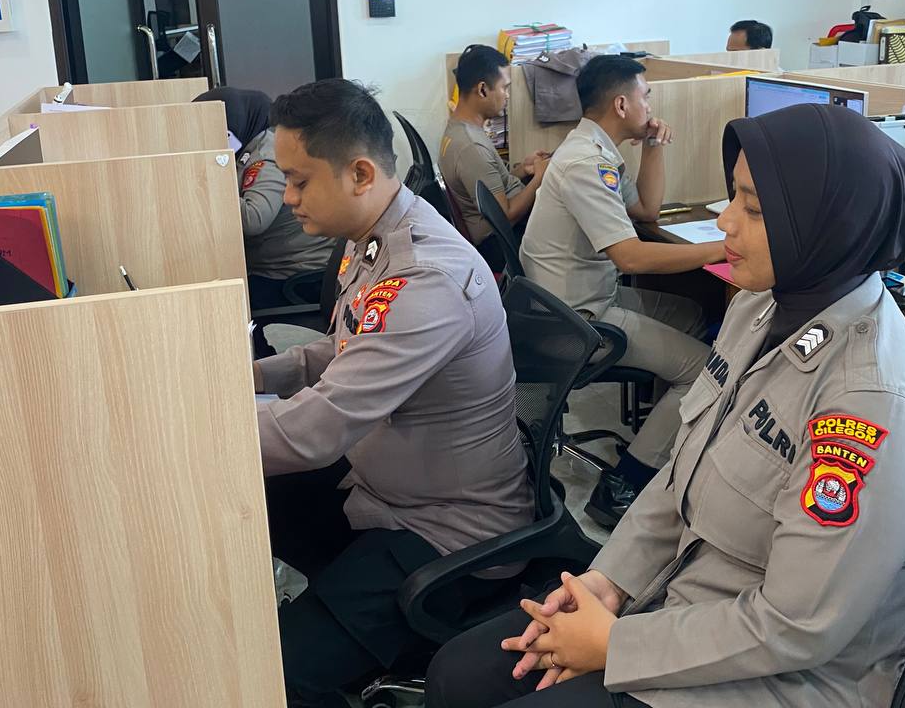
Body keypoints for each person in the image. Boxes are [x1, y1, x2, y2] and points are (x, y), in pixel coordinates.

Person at [425, 103, 905, 708]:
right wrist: (610, 581)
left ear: (828, 226)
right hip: (680, 597)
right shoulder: (759, 308)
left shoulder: (873, 406)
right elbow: (682, 472)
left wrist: (616, 645)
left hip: (772, 679)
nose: (725, 221)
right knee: (458, 674)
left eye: (753, 209)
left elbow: (794, 626)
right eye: (734, 196)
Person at [254, 79, 533, 708]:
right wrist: (259, 376)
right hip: (386, 490)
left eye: (298, 181)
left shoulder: (426, 277)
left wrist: (184, 438)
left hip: (448, 531)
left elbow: (316, 431)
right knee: (251, 503)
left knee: (279, 675)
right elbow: (348, 348)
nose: (288, 197)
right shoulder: (375, 236)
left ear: (358, 174)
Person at [520, 55, 725, 528]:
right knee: (704, 371)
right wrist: (721, 250)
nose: (650, 105)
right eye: (645, 96)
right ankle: (623, 485)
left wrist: (653, 146)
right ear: (621, 104)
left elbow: (647, 210)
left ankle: (660, 437)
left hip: (577, 298)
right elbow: (630, 257)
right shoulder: (585, 164)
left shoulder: (595, 150)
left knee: (694, 313)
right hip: (577, 320)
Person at [194, 86, 335, 311]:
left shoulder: (265, 157)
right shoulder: (251, 146)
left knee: (221, 306)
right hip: (274, 262)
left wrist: (208, 184)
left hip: (292, 271)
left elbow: (254, 218)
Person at [441, 44, 550, 266]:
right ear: (482, 90)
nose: (507, 96)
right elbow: (505, 216)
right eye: (504, 88)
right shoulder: (471, 147)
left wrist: (523, 170)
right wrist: (539, 178)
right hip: (500, 242)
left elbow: (491, 185)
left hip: (501, 226)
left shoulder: (460, 128)